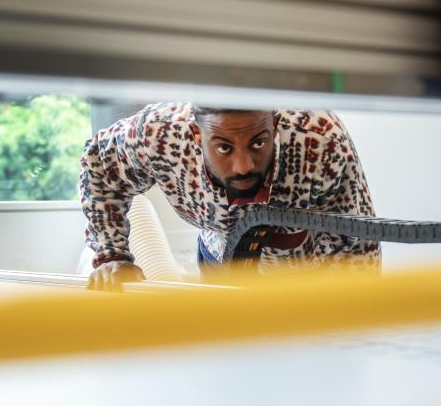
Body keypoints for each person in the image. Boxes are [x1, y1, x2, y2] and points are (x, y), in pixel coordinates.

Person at [80, 104, 379, 289]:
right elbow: (99, 165)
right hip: (219, 256)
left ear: (274, 126)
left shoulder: (320, 137)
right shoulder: (161, 133)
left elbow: (357, 244)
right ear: (197, 136)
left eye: (258, 143)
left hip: (302, 274)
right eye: (224, 148)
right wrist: (111, 255)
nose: (244, 166)